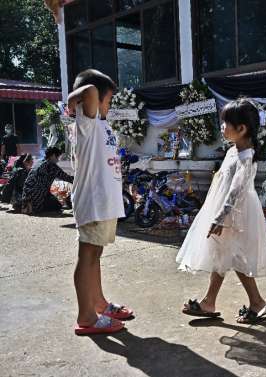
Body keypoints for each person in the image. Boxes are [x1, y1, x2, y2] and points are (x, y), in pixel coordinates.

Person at [177, 98, 266, 323]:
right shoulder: (234, 150)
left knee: (232, 255)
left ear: (241, 129)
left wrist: (221, 217)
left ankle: (253, 302)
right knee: (225, 255)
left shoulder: (245, 157)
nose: (222, 127)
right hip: (226, 211)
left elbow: (235, 192)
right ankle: (212, 302)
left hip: (235, 214)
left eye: (226, 123)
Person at [67, 69, 131, 336]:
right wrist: (73, 98)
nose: (109, 106)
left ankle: (99, 304)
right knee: (87, 255)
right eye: (108, 100)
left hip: (104, 203)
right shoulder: (86, 121)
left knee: (96, 254)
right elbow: (90, 91)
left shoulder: (100, 124)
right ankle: (87, 316)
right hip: (92, 202)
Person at [21, 147, 73, 214]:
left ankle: (28, 206)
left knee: (51, 192)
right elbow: (66, 177)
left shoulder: (38, 163)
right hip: (36, 198)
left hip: (26, 197)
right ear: (53, 155)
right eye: (58, 157)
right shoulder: (51, 166)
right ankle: (35, 208)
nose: (58, 160)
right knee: (57, 205)